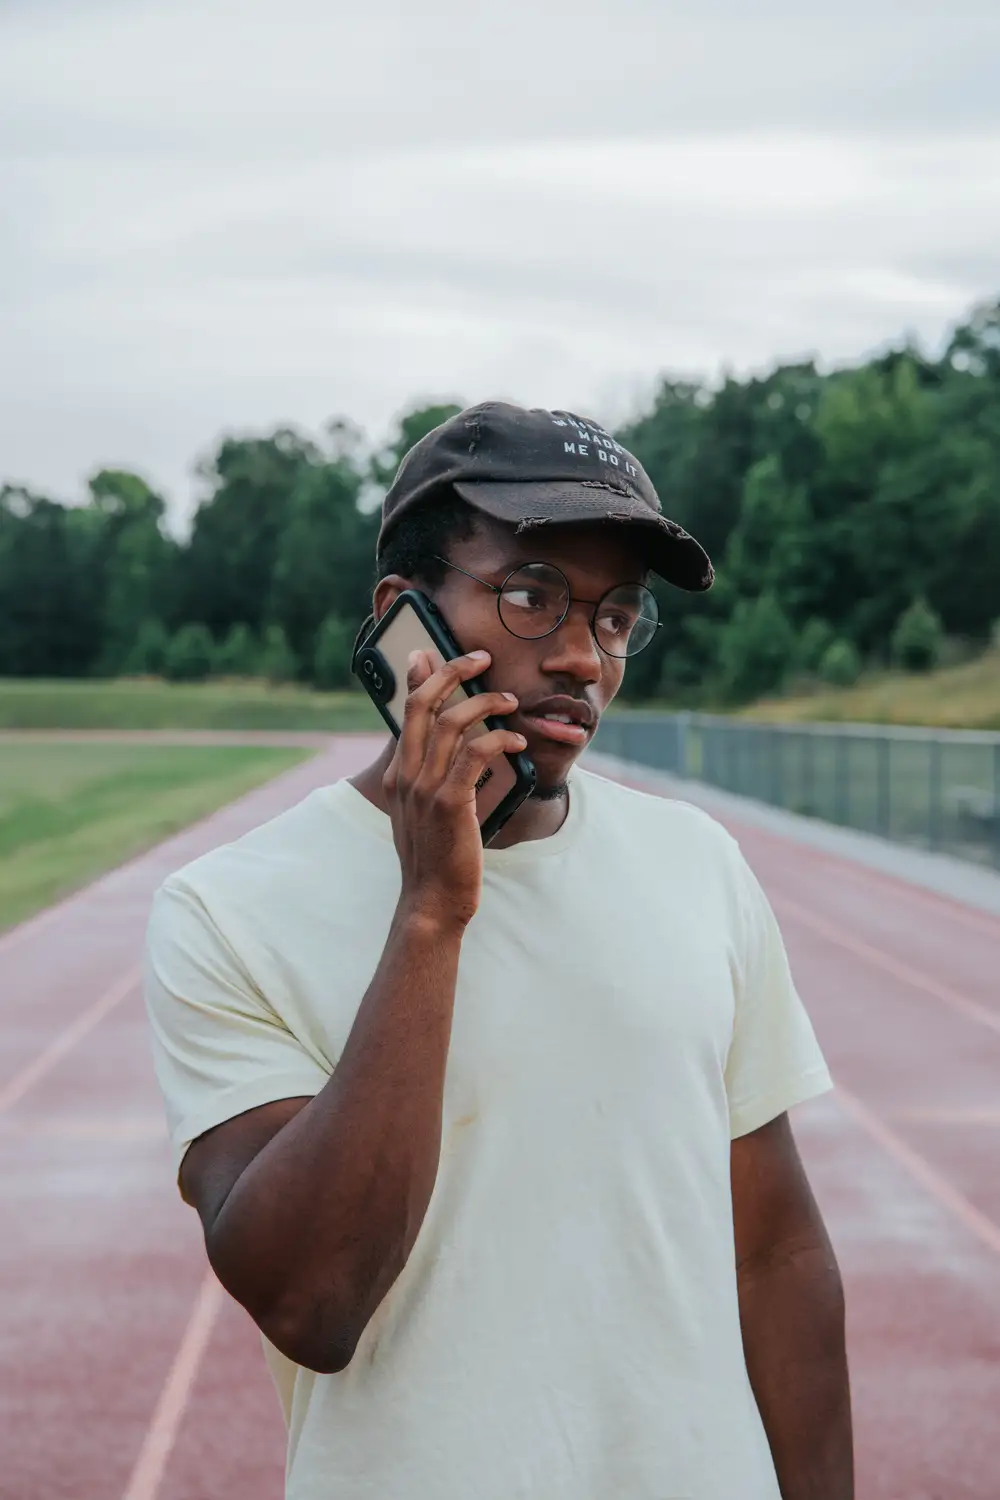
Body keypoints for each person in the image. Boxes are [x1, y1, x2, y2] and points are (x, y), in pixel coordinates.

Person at [144, 402, 853, 1500]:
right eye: (530, 595)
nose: (582, 655)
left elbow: (777, 1254)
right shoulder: (225, 910)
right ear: (403, 617)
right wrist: (431, 909)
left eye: (616, 617)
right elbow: (313, 1303)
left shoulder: (696, 862)